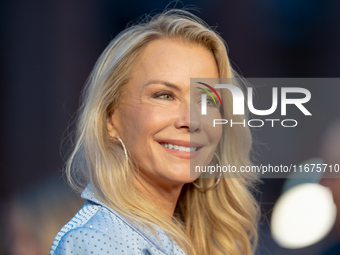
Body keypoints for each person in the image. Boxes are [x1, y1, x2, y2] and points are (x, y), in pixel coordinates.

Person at [50, 9, 259, 255]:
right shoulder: (98, 242)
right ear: (110, 118)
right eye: (164, 95)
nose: (191, 121)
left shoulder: (198, 240)